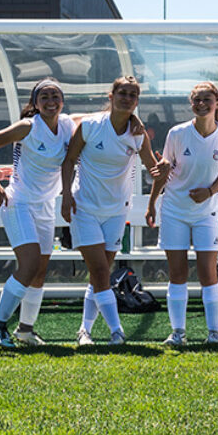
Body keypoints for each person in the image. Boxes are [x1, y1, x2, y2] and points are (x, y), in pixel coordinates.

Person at [62, 76, 163, 346]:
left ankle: (84, 330)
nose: (127, 98)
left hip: (117, 211)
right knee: (100, 271)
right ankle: (117, 331)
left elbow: (154, 170)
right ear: (111, 95)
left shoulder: (137, 133)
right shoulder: (91, 125)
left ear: (137, 101)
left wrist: (159, 180)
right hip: (84, 208)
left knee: (100, 273)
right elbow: (69, 160)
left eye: (132, 95)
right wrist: (66, 196)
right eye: (122, 93)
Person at [0, 79, 75, 348]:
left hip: (45, 206)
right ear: (35, 103)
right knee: (30, 263)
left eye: (55, 96)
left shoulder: (67, 124)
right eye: (44, 96)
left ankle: (25, 330)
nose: (50, 101)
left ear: (62, 101)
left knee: (40, 272)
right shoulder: (28, 126)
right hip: (18, 203)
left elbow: (99, 118)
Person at [146, 82, 218, 346]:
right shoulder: (177, 133)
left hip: (206, 213)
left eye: (206, 99)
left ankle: (214, 334)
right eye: (196, 100)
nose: (201, 104)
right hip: (174, 210)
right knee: (177, 274)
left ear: (217, 102)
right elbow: (164, 171)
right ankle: (178, 334)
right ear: (191, 103)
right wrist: (152, 202)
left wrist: (208, 192)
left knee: (208, 273)